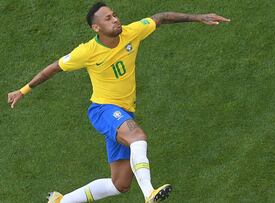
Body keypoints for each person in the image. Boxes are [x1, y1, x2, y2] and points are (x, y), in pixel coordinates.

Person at [7, 2, 230, 203]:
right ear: (96, 28)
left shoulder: (131, 33)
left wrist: (199, 17)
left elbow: (161, 17)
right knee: (137, 137)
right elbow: (53, 68)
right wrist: (23, 90)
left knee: (120, 184)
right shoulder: (86, 52)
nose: (115, 20)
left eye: (115, 15)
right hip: (103, 110)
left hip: (124, 112)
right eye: (108, 18)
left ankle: (61, 201)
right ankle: (149, 193)